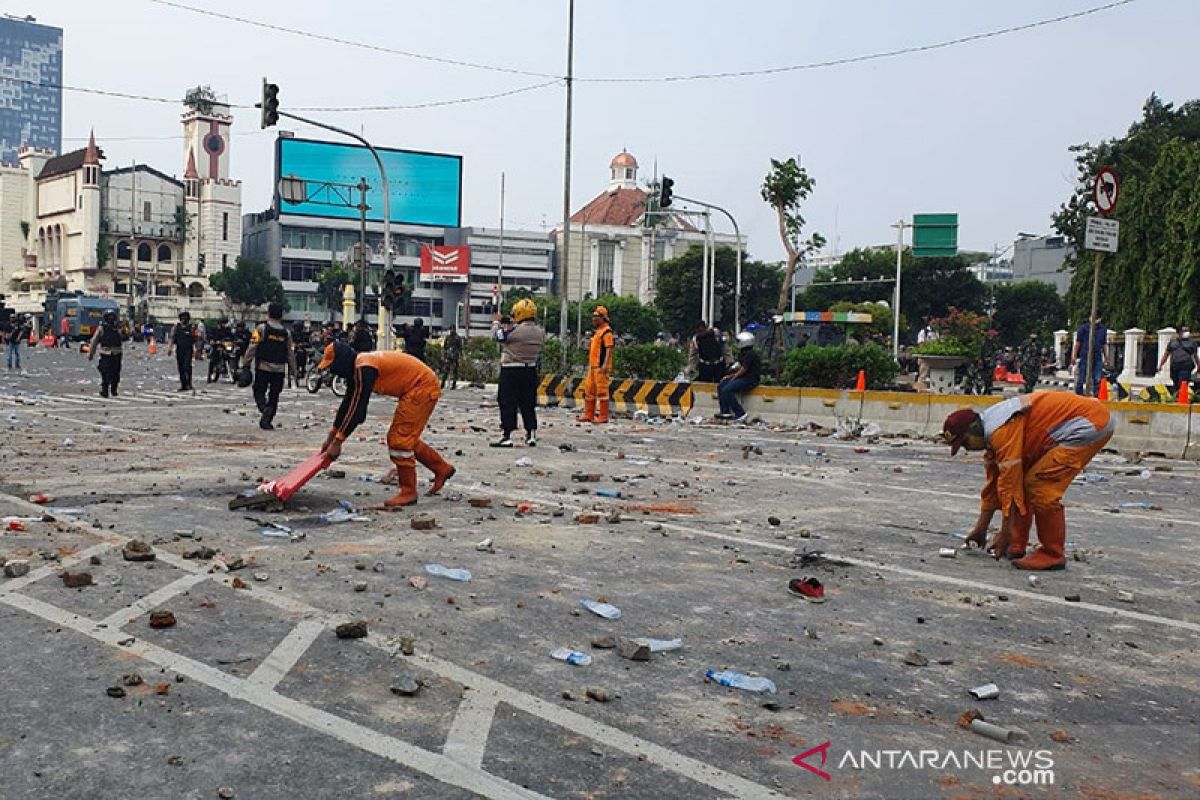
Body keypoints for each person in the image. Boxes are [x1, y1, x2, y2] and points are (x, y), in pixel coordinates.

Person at [942, 392, 1113, 571]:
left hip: (1089, 424)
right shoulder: (992, 433)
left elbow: (1009, 484)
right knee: (1023, 479)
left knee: (1040, 486)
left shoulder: (1001, 431)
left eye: (965, 443)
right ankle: (1017, 543)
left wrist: (1005, 533)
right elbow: (993, 485)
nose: (967, 449)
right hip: (1086, 420)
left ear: (973, 430)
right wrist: (981, 529)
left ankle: (1052, 554)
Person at [317, 341, 455, 507]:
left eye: (333, 366)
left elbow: (358, 412)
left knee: (399, 441)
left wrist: (338, 442)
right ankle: (442, 468)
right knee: (405, 437)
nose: (333, 371)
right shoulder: (359, 366)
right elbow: (348, 404)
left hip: (421, 387)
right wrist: (331, 437)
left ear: (342, 362)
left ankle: (408, 491)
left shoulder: (364, 368)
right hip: (418, 386)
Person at [491, 299, 545, 447]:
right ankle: (531, 433)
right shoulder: (540, 332)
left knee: (507, 402)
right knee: (528, 403)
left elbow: (497, 336)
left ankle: (507, 435)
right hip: (530, 369)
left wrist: (497, 323)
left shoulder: (514, 331)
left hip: (511, 369)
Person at [242, 303, 296, 431]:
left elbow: (252, 347)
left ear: (268, 314)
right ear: (281, 315)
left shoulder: (261, 329)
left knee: (259, 391)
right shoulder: (286, 333)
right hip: (279, 369)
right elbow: (290, 353)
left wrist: (246, 364)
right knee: (274, 395)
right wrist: (293, 370)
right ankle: (268, 419)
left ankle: (264, 408)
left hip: (263, 367)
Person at [577, 306, 615, 424]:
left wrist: (604, 364)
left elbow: (609, 349)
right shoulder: (598, 332)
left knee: (602, 391)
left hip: (601, 367)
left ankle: (603, 416)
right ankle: (589, 414)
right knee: (589, 390)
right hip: (593, 366)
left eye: (596, 317)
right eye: (593, 316)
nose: (594, 319)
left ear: (603, 318)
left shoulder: (606, 332)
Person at [717, 331, 762, 422]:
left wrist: (734, 377)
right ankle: (725, 412)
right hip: (743, 377)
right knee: (721, 385)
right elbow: (740, 368)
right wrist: (729, 376)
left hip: (750, 379)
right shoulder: (743, 353)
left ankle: (740, 413)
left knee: (727, 389)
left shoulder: (750, 354)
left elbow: (743, 370)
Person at [1156, 325, 1200, 398]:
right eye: (1185, 331)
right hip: (1174, 366)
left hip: (1186, 366)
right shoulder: (1172, 342)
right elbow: (1166, 354)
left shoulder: (1192, 343)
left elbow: (1195, 356)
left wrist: (1198, 365)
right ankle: (1178, 396)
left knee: (1183, 382)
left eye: (1188, 330)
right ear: (1179, 332)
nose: (1187, 332)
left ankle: (1182, 398)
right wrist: (1160, 365)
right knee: (1176, 382)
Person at [88, 309, 123, 397]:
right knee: (114, 373)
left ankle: (106, 391)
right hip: (116, 353)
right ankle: (113, 390)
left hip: (107, 353)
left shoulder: (102, 328)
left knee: (106, 373)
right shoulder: (117, 328)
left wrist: (91, 354)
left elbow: (94, 341)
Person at [1071, 316, 1108, 397]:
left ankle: (1096, 395)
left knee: (1097, 377)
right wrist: (1074, 356)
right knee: (1081, 376)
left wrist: (1106, 357)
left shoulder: (1103, 330)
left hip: (1097, 356)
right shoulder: (1083, 328)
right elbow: (1078, 343)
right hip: (1085, 355)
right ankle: (1079, 395)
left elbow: (1104, 344)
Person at [167, 311, 198, 391]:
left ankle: (189, 383)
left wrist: (196, 349)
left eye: (186, 318)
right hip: (180, 349)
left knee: (187, 366)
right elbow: (172, 338)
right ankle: (183, 385)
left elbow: (196, 339)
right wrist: (170, 348)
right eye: (183, 318)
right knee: (181, 368)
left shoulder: (191, 328)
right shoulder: (176, 328)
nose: (184, 320)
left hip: (188, 349)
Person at [207, 319, 233, 383]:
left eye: (225, 323)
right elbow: (210, 336)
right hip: (216, 346)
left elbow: (231, 336)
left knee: (229, 357)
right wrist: (212, 340)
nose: (224, 325)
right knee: (212, 360)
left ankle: (230, 372)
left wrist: (230, 340)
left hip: (225, 346)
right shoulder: (214, 329)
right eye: (222, 323)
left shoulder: (227, 330)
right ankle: (209, 376)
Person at [916, 320, 938, 391]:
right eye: (933, 323)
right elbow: (921, 344)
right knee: (923, 375)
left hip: (934, 358)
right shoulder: (924, 332)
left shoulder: (937, 333)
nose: (935, 325)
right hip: (924, 357)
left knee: (934, 376)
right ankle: (920, 390)